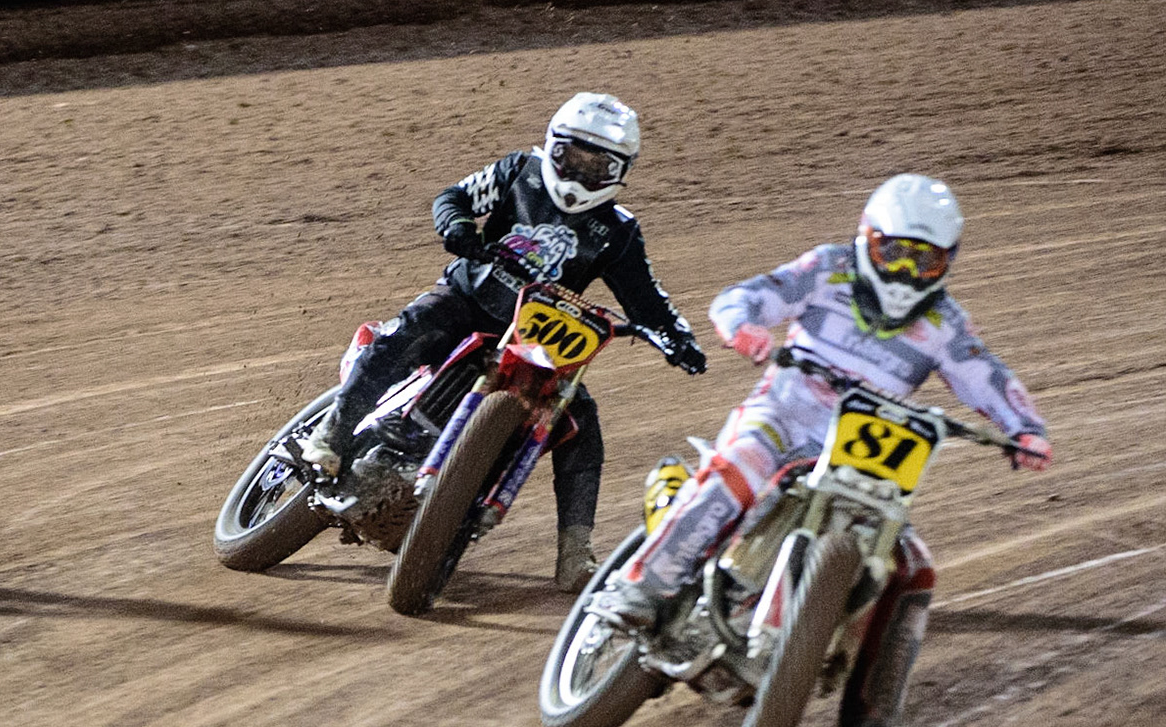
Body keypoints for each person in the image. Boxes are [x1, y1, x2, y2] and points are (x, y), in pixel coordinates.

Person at [592, 173, 1052, 635]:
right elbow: (747, 297)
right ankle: (640, 588)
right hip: (784, 413)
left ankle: (841, 668)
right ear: (868, 238)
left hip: (858, 450)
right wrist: (743, 326)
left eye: (924, 261)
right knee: (742, 465)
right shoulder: (829, 268)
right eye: (893, 252)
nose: (905, 272)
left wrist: (1024, 429)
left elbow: (985, 375)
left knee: (900, 552)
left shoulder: (944, 322)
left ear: (947, 262)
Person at [298, 92, 707, 591]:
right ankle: (333, 435)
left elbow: (647, 299)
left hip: (540, 344)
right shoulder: (520, 171)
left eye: (598, 165)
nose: (580, 173)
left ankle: (575, 553)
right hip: (468, 300)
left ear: (621, 171)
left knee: (582, 424)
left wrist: (675, 338)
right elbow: (454, 196)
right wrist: (457, 226)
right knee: (406, 333)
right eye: (572, 157)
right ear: (553, 146)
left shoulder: (618, 233)